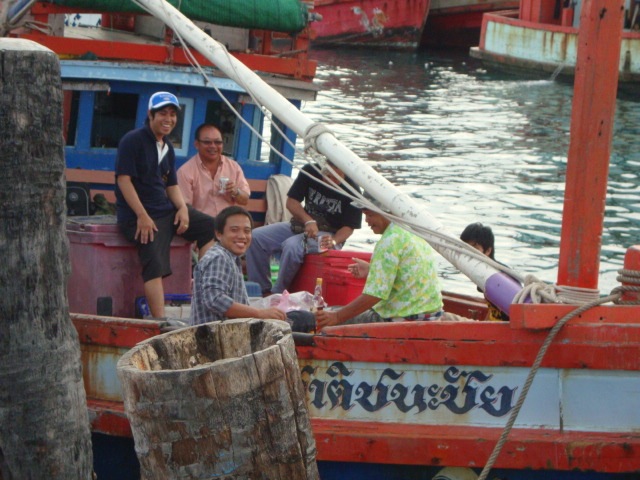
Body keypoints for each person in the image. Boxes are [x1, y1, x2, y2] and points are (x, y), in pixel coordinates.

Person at [115, 91, 216, 319]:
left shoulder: (167, 147)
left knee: (210, 226)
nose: (168, 119)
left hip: (165, 210)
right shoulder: (133, 141)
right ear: (150, 115)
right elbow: (124, 180)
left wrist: (182, 208)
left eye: (172, 114)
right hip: (139, 216)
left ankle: (203, 288)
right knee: (154, 265)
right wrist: (141, 215)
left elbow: (171, 184)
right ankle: (160, 322)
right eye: (163, 113)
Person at [316, 197, 443, 330]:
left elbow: (374, 295)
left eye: (370, 215)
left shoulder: (390, 240)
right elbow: (407, 274)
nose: (366, 221)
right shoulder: (412, 231)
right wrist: (372, 270)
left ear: (386, 213)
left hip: (401, 320)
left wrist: (337, 317)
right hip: (430, 315)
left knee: (323, 316)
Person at [190, 206, 315, 332]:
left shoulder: (230, 257)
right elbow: (215, 300)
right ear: (219, 234)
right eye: (234, 230)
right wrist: (259, 313)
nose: (242, 236)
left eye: (247, 231)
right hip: (213, 340)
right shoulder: (219, 257)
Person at [246, 162, 362, 295]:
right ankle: (261, 290)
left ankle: (278, 292)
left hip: (329, 234)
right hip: (302, 225)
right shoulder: (310, 171)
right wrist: (308, 220)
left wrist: (334, 241)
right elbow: (291, 202)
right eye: (327, 175)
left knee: (292, 245)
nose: (331, 180)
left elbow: (349, 227)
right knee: (256, 237)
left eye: (336, 177)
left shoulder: (353, 189)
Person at [177, 123, 251, 218]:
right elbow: (185, 208)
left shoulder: (233, 167)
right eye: (207, 142)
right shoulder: (185, 171)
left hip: (228, 224)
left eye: (218, 142)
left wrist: (236, 191)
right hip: (200, 224)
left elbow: (245, 200)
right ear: (196, 144)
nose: (213, 146)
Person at [460, 222, 511, 321]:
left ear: (488, 251)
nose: (468, 253)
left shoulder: (498, 279)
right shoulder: (483, 273)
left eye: (475, 248)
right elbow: (493, 310)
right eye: (466, 247)